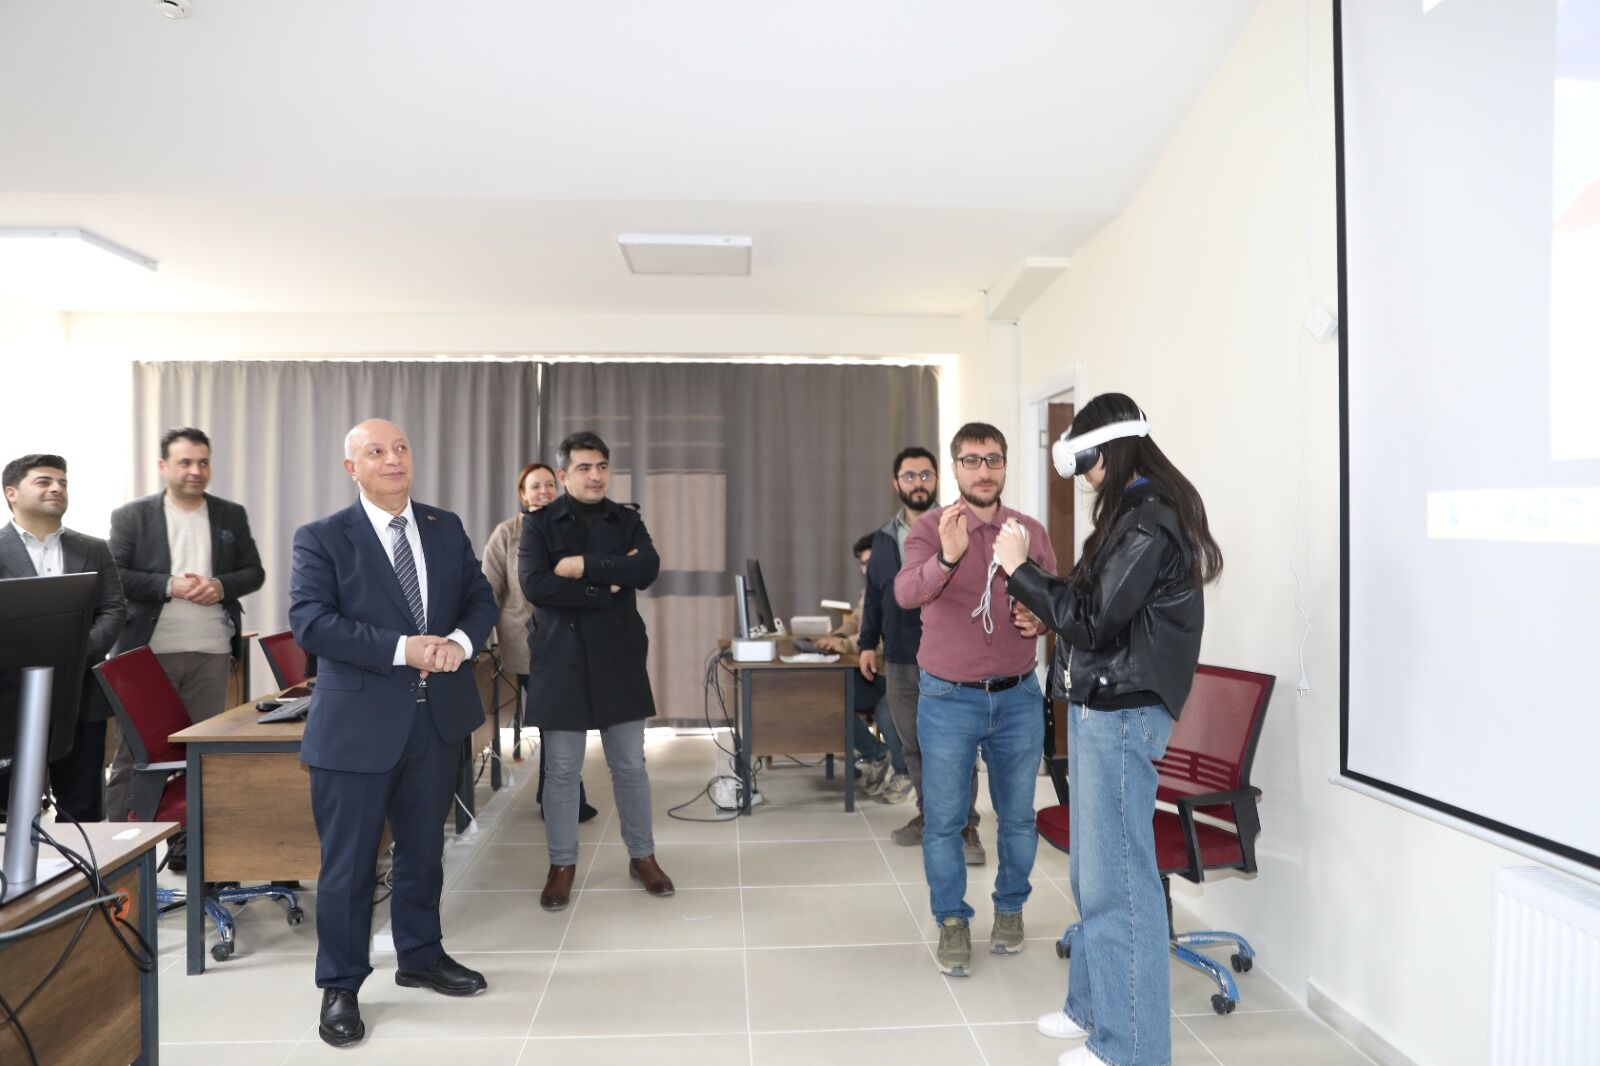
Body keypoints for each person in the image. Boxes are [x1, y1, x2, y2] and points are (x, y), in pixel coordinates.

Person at [997, 393, 1222, 1066]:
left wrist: (1020, 570)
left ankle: (1131, 1049)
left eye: (1090, 462)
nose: (1088, 477)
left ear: (1111, 450)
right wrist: (1043, 605)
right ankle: (1090, 1009)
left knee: (1119, 886)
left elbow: (1093, 622)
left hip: (1122, 717)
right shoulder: (1131, 515)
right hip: (1104, 709)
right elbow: (1093, 608)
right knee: (1095, 876)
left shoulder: (1149, 521)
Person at [289, 419, 499, 1048]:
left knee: (423, 854)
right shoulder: (322, 538)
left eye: (401, 448)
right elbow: (312, 623)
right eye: (376, 451)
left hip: (435, 722)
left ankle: (421, 955)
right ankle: (341, 985)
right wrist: (405, 648)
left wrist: (459, 643)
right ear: (351, 468)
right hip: (356, 730)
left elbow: (481, 600)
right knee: (349, 866)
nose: (393, 459)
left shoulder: (444, 526)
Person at [894, 422, 1056, 977]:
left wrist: (1038, 619)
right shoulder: (930, 528)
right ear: (956, 468)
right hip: (947, 699)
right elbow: (906, 592)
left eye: (993, 460)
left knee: (1018, 819)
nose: (983, 471)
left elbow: (1056, 603)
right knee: (944, 822)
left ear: (1005, 465)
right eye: (971, 460)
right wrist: (946, 557)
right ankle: (952, 920)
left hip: (1018, 697)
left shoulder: (1029, 531)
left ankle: (1010, 909)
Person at [520, 431, 674, 911]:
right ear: (564, 474)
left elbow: (646, 569)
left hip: (618, 657)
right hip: (560, 660)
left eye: (602, 467)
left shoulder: (626, 519)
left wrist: (582, 564)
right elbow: (536, 585)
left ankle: (642, 856)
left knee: (630, 765)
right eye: (585, 468)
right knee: (562, 771)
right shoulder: (539, 524)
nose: (596, 476)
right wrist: (604, 585)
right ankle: (561, 865)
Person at [107, 427, 264, 836]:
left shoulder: (230, 514)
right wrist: (169, 585)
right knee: (134, 754)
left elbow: (254, 572)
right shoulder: (131, 516)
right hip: (147, 654)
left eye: (203, 462)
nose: (196, 470)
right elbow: (116, 575)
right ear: (163, 466)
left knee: (201, 753)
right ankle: (115, 849)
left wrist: (220, 586)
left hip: (212, 651)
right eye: (186, 462)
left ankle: (189, 851)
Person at [858, 446, 982, 841]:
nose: (918, 483)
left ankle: (966, 825)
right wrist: (866, 643)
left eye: (925, 475)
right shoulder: (882, 539)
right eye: (909, 476)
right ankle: (931, 816)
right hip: (900, 657)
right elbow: (875, 597)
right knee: (912, 745)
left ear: (937, 479)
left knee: (956, 747)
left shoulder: (957, 527)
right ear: (896, 484)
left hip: (950, 658)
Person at [0, 454, 126, 822]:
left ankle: (81, 864)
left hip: (81, 692)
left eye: (63, 483)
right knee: (9, 811)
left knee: (82, 808)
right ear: (11, 493)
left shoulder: (93, 548)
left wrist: (72, 654)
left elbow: (113, 609)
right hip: (9, 696)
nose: (57, 488)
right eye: (44, 481)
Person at [480, 461, 596, 821]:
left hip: (574, 640)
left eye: (549, 485)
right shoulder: (507, 533)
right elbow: (488, 589)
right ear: (522, 493)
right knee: (557, 721)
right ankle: (564, 800)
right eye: (535, 486)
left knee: (563, 720)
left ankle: (555, 795)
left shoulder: (572, 529)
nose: (544, 491)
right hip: (529, 644)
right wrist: (475, 639)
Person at [814, 534, 909, 801]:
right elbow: (857, 619)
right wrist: (837, 636)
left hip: (899, 677)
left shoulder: (900, 589)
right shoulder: (872, 588)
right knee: (831, 698)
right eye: (863, 564)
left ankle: (904, 772)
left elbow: (883, 638)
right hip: (873, 673)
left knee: (886, 711)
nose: (866, 570)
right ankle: (876, 753)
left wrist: (845, 645)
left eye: (871, 563)